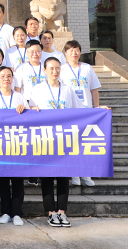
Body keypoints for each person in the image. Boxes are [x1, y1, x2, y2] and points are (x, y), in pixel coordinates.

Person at [30, 57, 83, 228]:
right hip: (45, 138)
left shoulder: (67, 89)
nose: (55, 71)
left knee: (63, 177)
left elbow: (80, 110)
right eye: (51, 68)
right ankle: (51, 213)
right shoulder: (38, 89)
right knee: (46, 177)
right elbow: (31, 109)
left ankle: (62, 212)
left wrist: (99, 110)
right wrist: (32, 109)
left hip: (64, 138)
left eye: (57, 68)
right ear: (44, 70)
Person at [61, 40, 105, 187]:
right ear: (65, 53)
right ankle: (74, 174)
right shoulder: (62, 69)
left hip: (86, 111)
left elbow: (94, 89)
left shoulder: (87, 68)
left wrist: (96, 108)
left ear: (80, 52)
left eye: (76, 50)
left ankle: (86, 174)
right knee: (72, 144)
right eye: (71, 50)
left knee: (85, 143)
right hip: (70, 112)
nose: (74, 53)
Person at [0, 66, 27, 227]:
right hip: (0, 144)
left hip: (17, 143)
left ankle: (17, 212)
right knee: (3, 180)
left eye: (9, 76)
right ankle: (5, 212)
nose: (6, 79)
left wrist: (25, 109)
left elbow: (30, 117)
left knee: (17, 180)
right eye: (3, 76)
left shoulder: (19, 97)